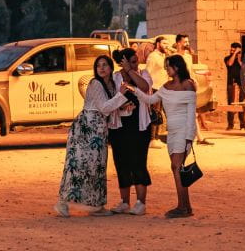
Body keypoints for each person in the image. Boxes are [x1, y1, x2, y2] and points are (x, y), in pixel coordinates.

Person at [55, 55, 129, 217]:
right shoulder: (96, 84)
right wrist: (121, 96)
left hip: (99, 128)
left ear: (111, 68)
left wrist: (123, 103)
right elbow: (103, 107)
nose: (101, 68)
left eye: (105, 65)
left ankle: (96, 205)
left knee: (97, 165)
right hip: (87, 128)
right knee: (79, 165)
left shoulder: (110, 85)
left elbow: (110, 107)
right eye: (98, 66)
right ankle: (63, 202)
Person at [129, 55, 198, 218]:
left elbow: (190, 114)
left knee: (176, 167)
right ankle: (186, 206)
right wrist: (134, 90)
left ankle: (182, 207)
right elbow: (150, 99)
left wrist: (189, 137)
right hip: (172, 132)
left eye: (168, 66)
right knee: (178, 168)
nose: (166, 69)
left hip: (184, 130)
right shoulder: (166, 86)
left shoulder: (189, 85)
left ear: (177, 67)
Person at [109, 48, 154, 215]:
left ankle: (141, 202)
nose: (137, 64)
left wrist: (130, 70)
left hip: (140, 126)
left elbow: (145, 87)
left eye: (136, 61)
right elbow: (111, 99)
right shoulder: (115, 78)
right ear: (123, 61)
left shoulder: (143, 73)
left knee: (138, 162)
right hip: (119, 126)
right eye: (133, 61)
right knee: (121, 162)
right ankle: (124, 202)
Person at [174, 35, 212, 145]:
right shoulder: (174, 57)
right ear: (179, 43)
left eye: (188, 41)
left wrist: (194, 80)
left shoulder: (188, 57)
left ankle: (198, 137)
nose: (187, 44)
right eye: (185, 42)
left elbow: (190, 70)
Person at [223, 43, 245, 131]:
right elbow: (229, 64)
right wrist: (234, 54)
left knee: (242, 103)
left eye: (234, 50)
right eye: (232, 50)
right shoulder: (227, 58)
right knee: (231, 103)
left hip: (241, 84)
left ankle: (243, 124)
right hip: (231, 83)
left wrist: (240, 59)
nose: (232, 51)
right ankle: (230, 124)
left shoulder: (243, 59)